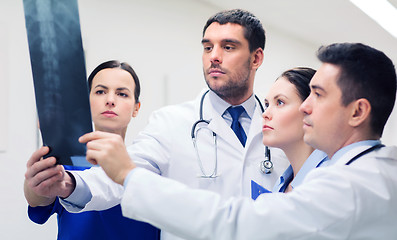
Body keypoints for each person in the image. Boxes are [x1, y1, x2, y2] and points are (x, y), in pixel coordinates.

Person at [83, 42, 397, 239]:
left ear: (357, 112)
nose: (305, 107)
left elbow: (236, 223)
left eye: (318, 95)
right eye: (207, 47)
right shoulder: (350, 174)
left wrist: (128, 174)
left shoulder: (353, 185)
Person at [26, 9, 288, 240]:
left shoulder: (287, 127)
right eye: (208, 47)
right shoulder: (170, 123)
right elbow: (122, 175)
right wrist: (72, 184)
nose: (214, 57)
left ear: (256, 58)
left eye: (228, 47)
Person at [24, 60, 160, 240]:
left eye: (122, 94)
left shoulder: (151, 165)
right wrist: (37, 180)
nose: (110, 100)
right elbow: (38, 201)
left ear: (136, 108)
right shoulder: (66, 163)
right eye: (100, 91)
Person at [260, 67, 328, 195]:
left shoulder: (330, 180)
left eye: (280, 102)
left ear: (309, 110)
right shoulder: (282, 184)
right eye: (267, 105)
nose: (265, 114)